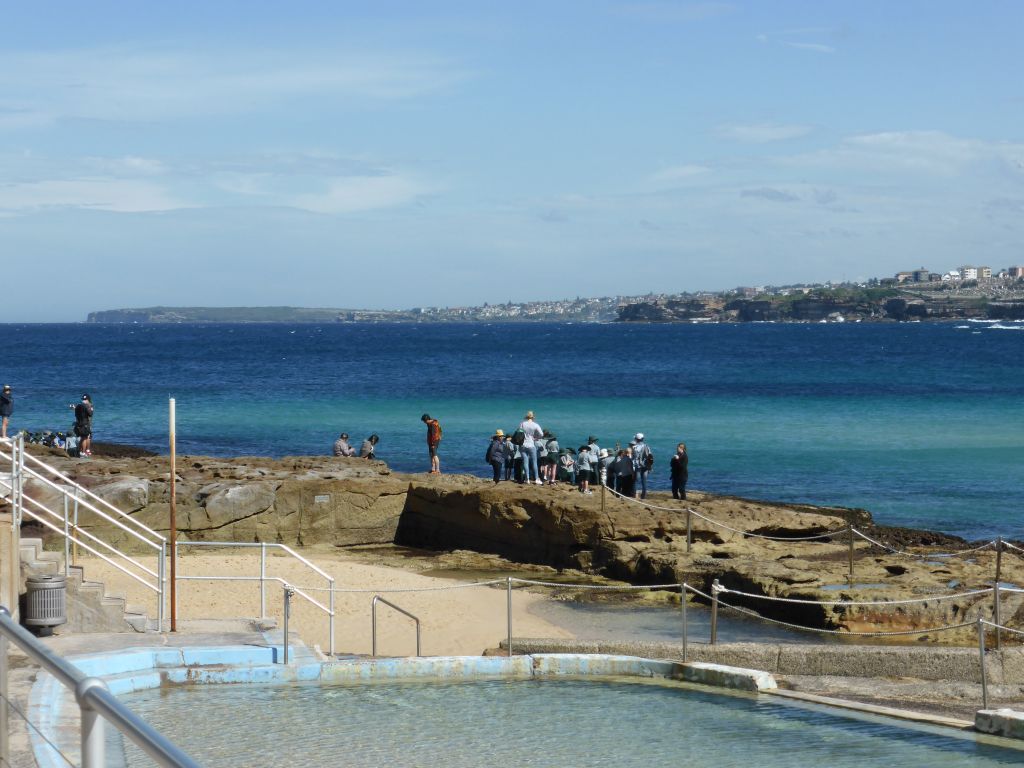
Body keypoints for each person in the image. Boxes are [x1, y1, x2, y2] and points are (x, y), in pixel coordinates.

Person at [516, 411, 544, 485]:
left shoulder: (522, 423)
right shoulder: (535, 425)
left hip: (523, 445)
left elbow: (519, 432)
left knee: (525, 462)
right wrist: (535, 438)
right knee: (534, 462)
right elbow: (541, 434)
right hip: (531, 444)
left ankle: (527, 479)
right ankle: (536, 479)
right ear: (533, 417)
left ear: (527, 417)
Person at [632, 433, 653, 499]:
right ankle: (643, 496)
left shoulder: (634, 447)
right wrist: (650, 466)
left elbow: (633, 458)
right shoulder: (646, 446)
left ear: (636, 439)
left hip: (637, 466)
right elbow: (650, 457)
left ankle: (635, 495)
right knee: (644, 481)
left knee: (635, 481)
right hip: (645, 466)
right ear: (642, 439)